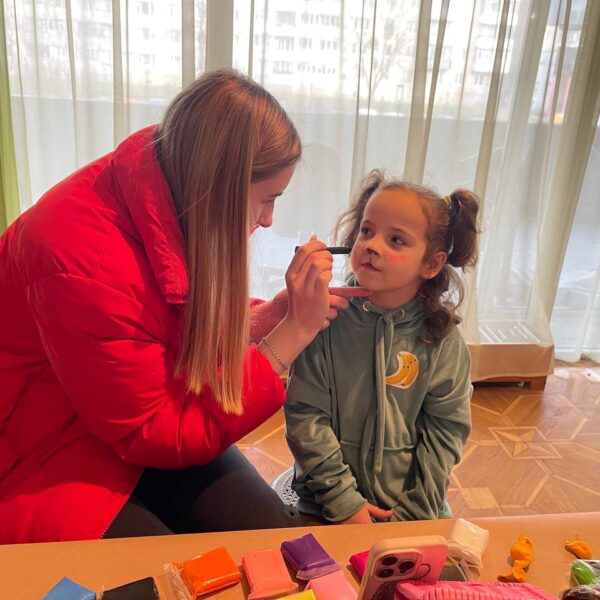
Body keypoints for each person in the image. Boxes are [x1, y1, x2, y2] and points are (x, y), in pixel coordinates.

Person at [0, 69, 367, 543]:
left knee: (273, 542)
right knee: (154, 576)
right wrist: (290, 335)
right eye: (266, 199)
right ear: (220, 186)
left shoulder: (170, 183)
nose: (268, 219)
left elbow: (159, 318)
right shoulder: (78, 259)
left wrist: (267, 318)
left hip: (119, 411)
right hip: (41, 450)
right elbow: (150, 430)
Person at [284, 169, 479, 524]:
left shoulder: (443, 342)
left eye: (396, 240)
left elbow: (445, 435)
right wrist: (343, 502)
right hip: (325, 504)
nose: (372, 245)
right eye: (367, 231)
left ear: (432, 263)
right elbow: (305, 417)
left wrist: (414, 513)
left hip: (412, 512)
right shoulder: (325, 319)